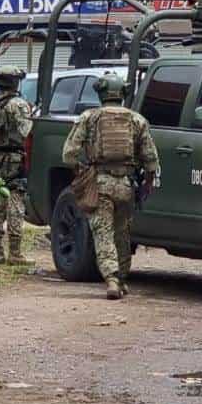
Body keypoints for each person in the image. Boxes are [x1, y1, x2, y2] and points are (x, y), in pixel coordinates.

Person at [61, 73, 160, 300]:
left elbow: (69, 154)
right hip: (126, 185)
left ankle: (112, 278)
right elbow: (151, 158)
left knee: (102, 232)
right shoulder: (137, 120)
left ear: (100, 93)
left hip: (101, 183)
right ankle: (123, 277)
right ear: (123, 93)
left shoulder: (90, 117)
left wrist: (81, 171)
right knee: (122, 233)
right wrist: (148, 182)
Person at [0, 66, 34, 264]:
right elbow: (25, 131)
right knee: (15, 203)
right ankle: (15, 252)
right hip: (15, 158)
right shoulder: (18, 104)